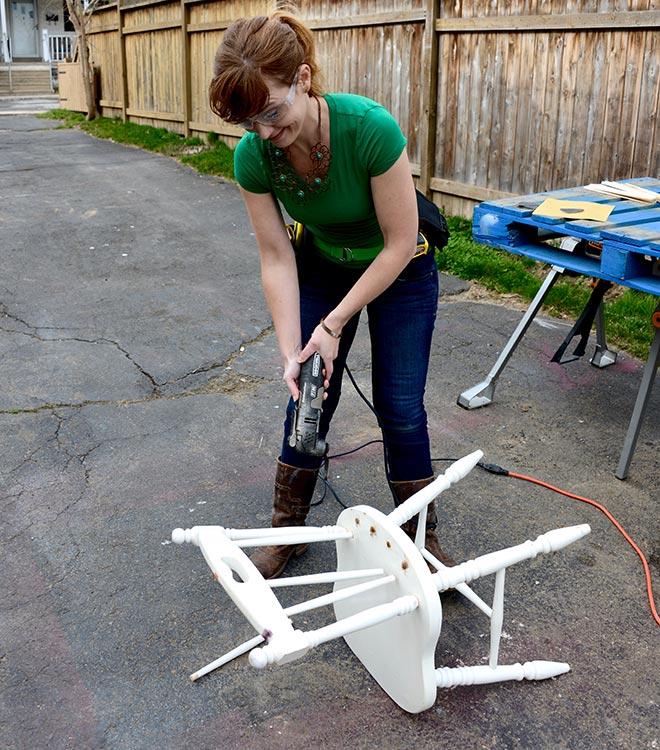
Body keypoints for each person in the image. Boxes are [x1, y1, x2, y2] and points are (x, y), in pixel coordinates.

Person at [209, 10, 454, 579]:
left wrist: (335, 323)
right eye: (251, 123)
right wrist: (294, 349)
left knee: (399, 407)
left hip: (401, 271)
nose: (265, 132)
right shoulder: (255, 155)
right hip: (321, 263)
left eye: (272, 113)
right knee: (308, 399)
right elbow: (275, 256)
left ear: (302, 77)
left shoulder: (368, 128)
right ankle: (287, 532)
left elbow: (398, 243)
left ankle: (422, 539)